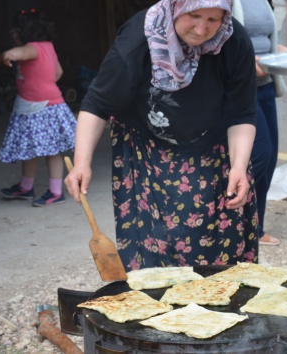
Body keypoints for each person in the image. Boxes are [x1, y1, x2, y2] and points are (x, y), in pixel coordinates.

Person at [65, 0, 259, 270]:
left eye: (213, 20)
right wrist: (82, 162)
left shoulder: (234, 41)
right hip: (145, 152)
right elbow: (97, 105)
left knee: (220, 256)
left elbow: (242, 115)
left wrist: (238, 166)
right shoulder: (137, 41)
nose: (202, 29)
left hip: (215, 150)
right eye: (194, 15)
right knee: (151, 253)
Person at [0, 9, 77, 207]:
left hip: (42, 108)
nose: (12, 33)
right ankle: (28, 187)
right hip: (40, 106)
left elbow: (19, 53)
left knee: (48, 151)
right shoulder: (49, 47)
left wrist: (8, 55)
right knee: (36, 150)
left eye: (15, 30)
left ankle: (53, 191)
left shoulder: (33, 48)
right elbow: (58, 72)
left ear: (24, 31)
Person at [233, 0, 287, 246]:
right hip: (242, 90)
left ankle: (256, 226)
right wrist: (250, 63)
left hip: (266, 86)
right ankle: (242, 227)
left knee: (270, 160)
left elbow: (266, 40)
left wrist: (285, 54)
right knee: (259, 157)